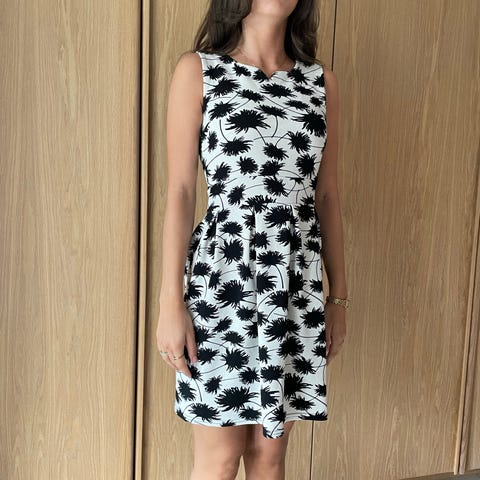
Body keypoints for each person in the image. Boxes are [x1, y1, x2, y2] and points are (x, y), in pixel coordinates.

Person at [157, 0, 348, 478]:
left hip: (293, 285)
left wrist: (339, 298)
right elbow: (180, 192)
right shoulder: (198, 71)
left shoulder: (320, 83)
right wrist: (169, 302)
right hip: (223, 279)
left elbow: (326, 197)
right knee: (219, 456)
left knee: (269, 455)